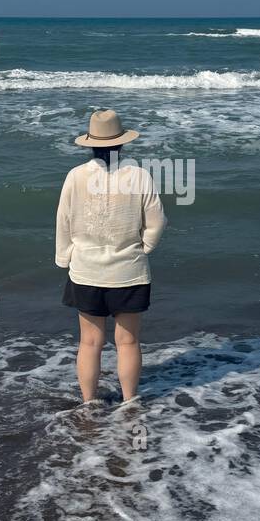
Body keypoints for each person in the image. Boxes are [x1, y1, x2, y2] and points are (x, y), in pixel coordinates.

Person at [55, 109, 165, 406]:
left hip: (86, 270)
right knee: (127, 341)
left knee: (90, 342)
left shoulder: (76, 176)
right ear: (122, 143)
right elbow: (156, 222)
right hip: (129, 270)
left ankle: (89, 403)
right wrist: (144, 249)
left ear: (90, 144)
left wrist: (65, 259)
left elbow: (63, 221)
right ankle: (130, 402)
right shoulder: (139, 175)